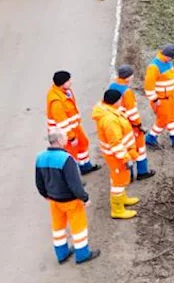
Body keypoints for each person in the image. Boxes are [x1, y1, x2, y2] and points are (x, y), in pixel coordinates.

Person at [35, 129, 98, 265]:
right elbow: (75, 184)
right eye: (64, 137)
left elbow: (39, 181)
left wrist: (46, 195)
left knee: (58, 228)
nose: (66, 139)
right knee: (78, 228)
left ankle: (62, 254)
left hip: (54, 200)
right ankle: (82, 254)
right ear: (59, 141)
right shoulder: (66, 159)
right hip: (71, 201)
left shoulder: (40, 157)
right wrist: (85, 198)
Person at [92, 88, 139, 220]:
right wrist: (126, 158)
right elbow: (115, 143)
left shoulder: (110, 111)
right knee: (118, 182)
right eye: (120, 100)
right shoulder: (110, 120)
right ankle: (117, 210)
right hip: (117, 156)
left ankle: (122, 199)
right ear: (115, 102)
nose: (121, 102)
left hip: (118, 154)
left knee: (121, 179)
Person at [107, 64, 155, 180]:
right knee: (139, 148)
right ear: (128, 77)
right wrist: (138, 125)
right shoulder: (127, 92)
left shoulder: (112, 86)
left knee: (124, 149)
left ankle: (128, 175)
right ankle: (142, 172)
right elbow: (132, 112)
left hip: (117, 123)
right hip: (130, 125)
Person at [47, 70, 98, 175]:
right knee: (71, 155)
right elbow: (62, 123)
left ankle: (84, 165)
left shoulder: (65, 92)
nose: (71, 82)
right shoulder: (57, 101)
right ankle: (74, 176)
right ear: (63, 83)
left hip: (74, 127)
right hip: (65, 133)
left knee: (83, 144)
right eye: (68, 80)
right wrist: (71, 137)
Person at [144, 44, 174, 149]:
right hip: (161, 100)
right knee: (163, 120)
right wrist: (154, 99)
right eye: (172, 58)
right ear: (168, 56)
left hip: (171, 97)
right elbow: (148, 87)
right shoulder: (154, 67)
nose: (172, 60)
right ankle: (150, 138)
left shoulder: (167, 62)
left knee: (173, 118)